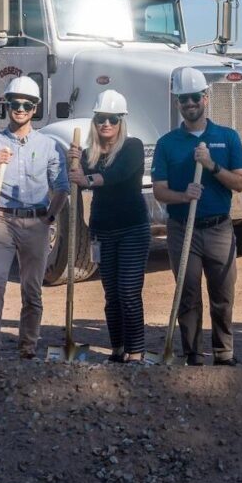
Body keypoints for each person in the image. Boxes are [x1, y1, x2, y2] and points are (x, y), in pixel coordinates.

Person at [0, 76, 68, 359]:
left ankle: (28, 346)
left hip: (37, 222)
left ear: (35, 108)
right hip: (1, 221)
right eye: (14, 103)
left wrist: (49, 217)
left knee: (32, 289)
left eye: (26, 104)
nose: (20, 109)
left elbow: (61, 188)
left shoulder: (49, 146)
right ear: (6, 106)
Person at [152, 67, 242, 365]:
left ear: (205, 98)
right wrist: (184, 196)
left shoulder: (227, 137)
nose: (190, 104)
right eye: (184, 99)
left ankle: (223, 352)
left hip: (218, 227)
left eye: (195, 98)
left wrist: (211, 166)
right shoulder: (167, 143)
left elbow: (240, 183)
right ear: (177, 103)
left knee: (222, 292)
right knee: (187, 292)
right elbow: (159, 190)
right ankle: (193, 354)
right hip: (182, 228)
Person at [69, 90, 149, 363]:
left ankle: (135, 350)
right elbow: (73, 181)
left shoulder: (133, 147)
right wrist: (73, 164)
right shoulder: (88, 154)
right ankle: (117, 348)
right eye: (102, 118)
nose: (107, 124)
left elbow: (117, 175)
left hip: (132, 229)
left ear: (121, 121)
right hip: (102, 231)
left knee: (128, 291)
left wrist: (86, 180)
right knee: (111, 294)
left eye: (112, 119)